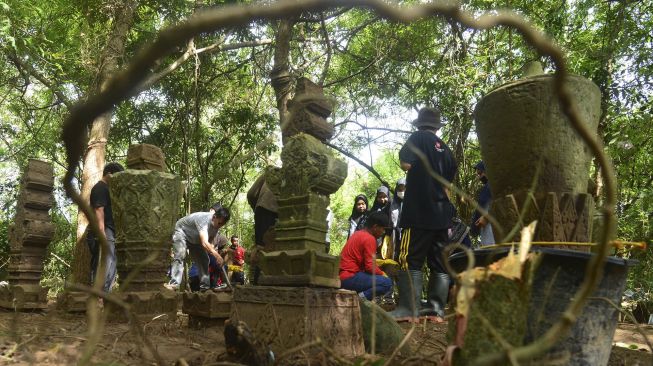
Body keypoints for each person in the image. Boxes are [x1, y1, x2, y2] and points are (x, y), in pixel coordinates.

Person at [391, 107, 457, 321]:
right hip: (441, 214)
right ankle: (436, 310)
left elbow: (405, 163)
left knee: (410, 258)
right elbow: (447, 186)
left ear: (419, 125)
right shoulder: (446, 150)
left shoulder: (417, 137)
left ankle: (408, 309)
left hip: (418, 212)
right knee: (439, 262)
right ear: (437, 127)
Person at [167, 203, 231, 291]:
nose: (219, 226)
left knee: (204, 259)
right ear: (214, 217)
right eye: (219, 223)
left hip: (195, 239)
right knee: (180, 255)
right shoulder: (204, 220)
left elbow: (210, 241)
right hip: (181, 232)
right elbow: (204, 243)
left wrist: (212, 251)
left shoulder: (217, 225)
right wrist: (217, 255)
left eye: (222, 225)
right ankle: (174, 284)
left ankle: (205, 288)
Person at [87, 162, 124, 292]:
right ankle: (97, 294)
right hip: (103, 231)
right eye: (117, 176)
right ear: (109, 174)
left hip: (111, 231)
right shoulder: (100, 188)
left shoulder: (108, 189)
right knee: (104, 263)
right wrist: (102, 233)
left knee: (112, 264)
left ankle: (105, 294)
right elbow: (99, 210)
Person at [339, 211, 393, 300]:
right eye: (383, 229)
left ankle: (360, 297)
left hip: (344, 275)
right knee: (387, 283)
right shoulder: (370, 239)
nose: (383, 232)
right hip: (350, 277)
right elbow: (370, 267)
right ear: (375, 227)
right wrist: (382, 273)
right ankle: (358, 299)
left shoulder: (358, 233)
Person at [247, 173, 278, 285]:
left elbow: (251, 193)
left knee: (261, 246)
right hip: (282, 213)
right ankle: (259, 281)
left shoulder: (269, 172)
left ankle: (256, 281)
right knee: (269, 248)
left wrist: (257, 207)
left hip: (262, 209)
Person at [470, 161, 495, 246]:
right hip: (488, 232)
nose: (479, 177)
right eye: (478, 174)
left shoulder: (491, 186)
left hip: (492, 232)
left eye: (480, 173)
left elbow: (499, 205)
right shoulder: (487, 187)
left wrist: (486, 217)